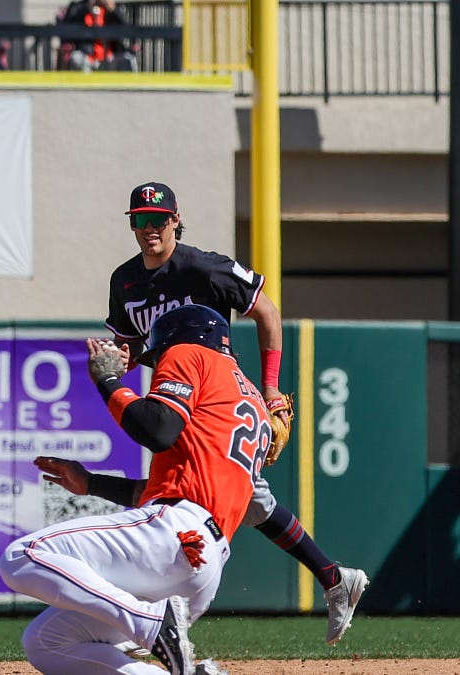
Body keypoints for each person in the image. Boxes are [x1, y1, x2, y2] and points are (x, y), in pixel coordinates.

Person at [106, 181, 368, 645]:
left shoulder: (204, 267)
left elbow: (267, 313)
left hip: (214, 393)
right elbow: (130, 348)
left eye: (159, 219)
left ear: (175, 220)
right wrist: (118, 362)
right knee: (243, 498)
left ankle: (155, 618)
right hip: (173, 394)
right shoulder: (124, 281)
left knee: (197, 495)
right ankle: (333, 578)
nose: (150, 228)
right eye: (140, 219)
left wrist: (270, 388)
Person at [0, 305, 265, 675]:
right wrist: (91, 483)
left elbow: (157, 429)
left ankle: (152, 623)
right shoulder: (250, 399)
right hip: (201, 565)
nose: (159, 365)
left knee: (22, 555)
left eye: (159, 355)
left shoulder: (189, 352)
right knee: (47, 642)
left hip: (175, 534)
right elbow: (175, 485)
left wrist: (108, 381)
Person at [58, 0, 136, 72]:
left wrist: (113, 10)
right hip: (87, 54)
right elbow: (67, 28)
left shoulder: (111, 8)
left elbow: (125, 28)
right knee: (76, 58)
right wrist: (86, 7)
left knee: (127, 59)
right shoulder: (79, 7)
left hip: (110, 54)